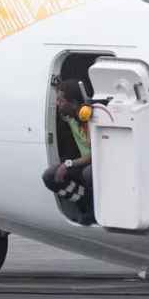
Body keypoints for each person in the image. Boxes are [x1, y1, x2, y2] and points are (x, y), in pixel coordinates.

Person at [43, 80, 96, 223]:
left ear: (73, 103)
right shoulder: (68, 117)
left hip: (95, 163)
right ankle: (85, 199)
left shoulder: (90, 119)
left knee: (89, 173)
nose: (58, 104)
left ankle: (95, 210)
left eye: (61, 100)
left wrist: (67, 164)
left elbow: (94, 155)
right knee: (50, 177)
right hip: (81, 163)